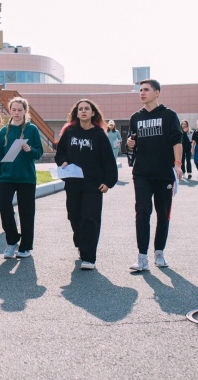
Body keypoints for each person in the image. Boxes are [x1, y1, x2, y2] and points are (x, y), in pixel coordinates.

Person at [55, 99, 118, 270]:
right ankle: (81, 244)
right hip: (73, 184)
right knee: (74, 217)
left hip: (93, 185)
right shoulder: (69, 132)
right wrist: (63, 162)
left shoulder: (99, 135)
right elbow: (60, 153)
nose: (83, 111)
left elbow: (108, 160)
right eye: (80, 109)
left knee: (90, 218)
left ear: (93, 113)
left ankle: (89, 257)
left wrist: (108, 182)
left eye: (87, 109)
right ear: (76, 113)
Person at [126, 79, 182, 271]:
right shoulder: (135, 117)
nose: (142, 93)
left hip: (164, 173)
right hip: (141, 173)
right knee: (142, 212)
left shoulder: (169, 115)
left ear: (157, 93)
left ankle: (159, 252)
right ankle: (142, 258)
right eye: (140, 90)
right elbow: (132, 143)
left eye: (146, 90)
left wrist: (177, 165)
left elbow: (177, 141)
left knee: (163, 214)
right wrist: (130, 144)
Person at [0, 97, 43, 259]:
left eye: (20, 110)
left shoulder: (32, 129)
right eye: (14, 109)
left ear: (25, 111)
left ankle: (25, 247)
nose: (17, 112)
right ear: (10, 110)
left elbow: (39, 153)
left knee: (26, 213)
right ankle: (12, 241)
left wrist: (30, 149)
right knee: (4, 208)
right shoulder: (4, 131)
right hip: (6, 177)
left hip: (26, 178)